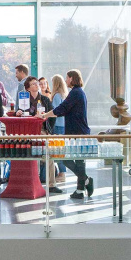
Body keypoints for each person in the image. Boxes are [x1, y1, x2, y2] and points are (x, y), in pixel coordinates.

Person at [40, 69, 92, 200]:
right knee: (79, 162)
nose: (66, 80)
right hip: (79, 131)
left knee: (67, 159)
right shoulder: (78, 92)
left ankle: (84, 181)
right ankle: (80, 189)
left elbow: (61, 109)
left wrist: (45, 115)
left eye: (67, 78)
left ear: (72, 78)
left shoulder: (75, 93)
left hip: (77, 132)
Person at [49, 74, 69, 188]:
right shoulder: (64, 95)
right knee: (61, 148)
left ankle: (62, 173)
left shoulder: (56, 95)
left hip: (57, 125)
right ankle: (62, 172)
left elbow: (56, 111)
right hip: (63, 125)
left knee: (57, 149)